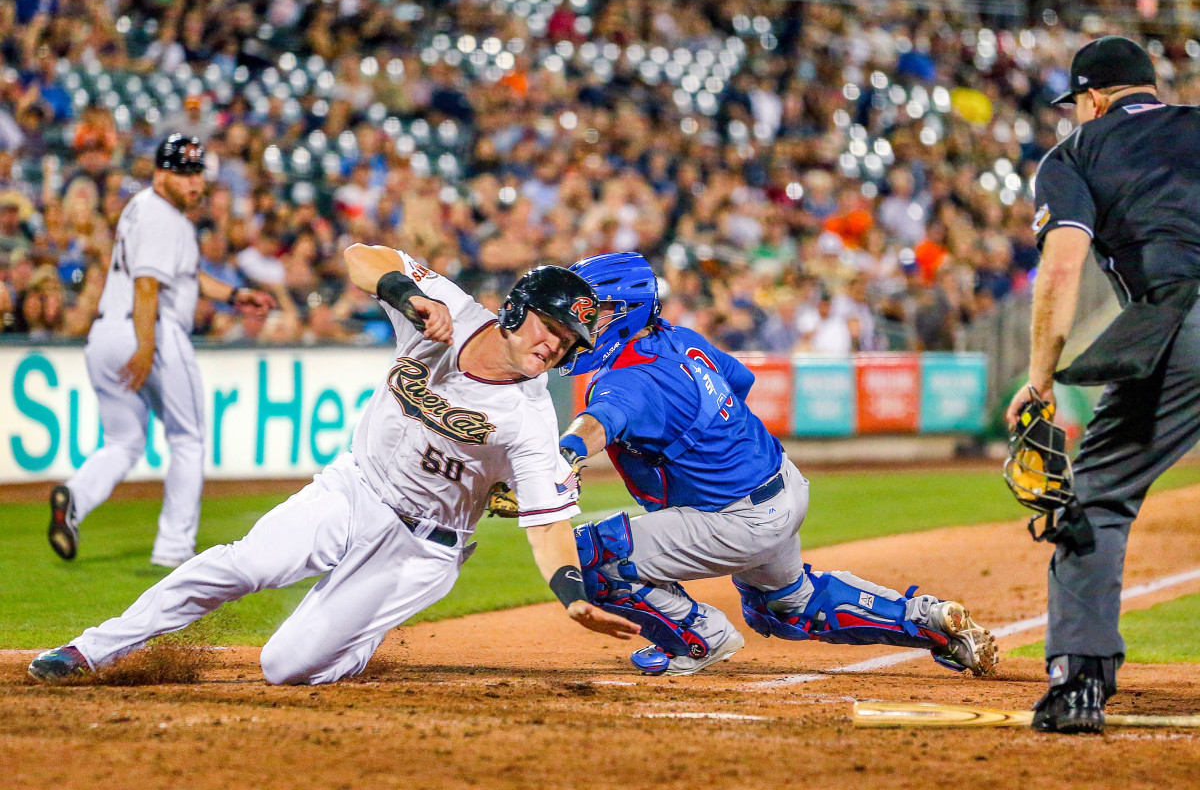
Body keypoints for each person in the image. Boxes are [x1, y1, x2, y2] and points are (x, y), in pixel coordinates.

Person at [29, 248, 639, 685]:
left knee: (282, 666)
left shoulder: (530, 418)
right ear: (516, 310)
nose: (556, 346)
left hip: (423, 549)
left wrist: (571, 596)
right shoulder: (448, 310)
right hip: (353, 487)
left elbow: (545, 525)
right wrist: (407, 295)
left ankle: (355, 637)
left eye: (569, 343)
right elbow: (361, 255)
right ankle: (91, 649)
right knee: (247, 562)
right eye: (553, 328)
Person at [558, 252, 997, 677]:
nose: (580, 324)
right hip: (778, 483)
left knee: (589, 556)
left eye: (594, 311)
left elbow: (597, 423)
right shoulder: (680, 339)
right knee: (790, 606)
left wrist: (564, 458)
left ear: (627, 311)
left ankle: (698, 637)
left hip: (736, 517)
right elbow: (740, 380)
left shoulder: (627, 377)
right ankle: (931, 621)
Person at [1004, 36, 1200, 734]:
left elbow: (1060, 270)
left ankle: (1079, 682)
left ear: (1090, 98)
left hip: (1181, 319)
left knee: (1097, 499)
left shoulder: (1076, 154)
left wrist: (1039, 377)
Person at [46, 134, 274, 567]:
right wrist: (147, 347)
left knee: (124, 441)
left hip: (105, 336)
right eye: (183, 174)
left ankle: (74, 497)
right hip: (150, 330)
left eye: (197, 174)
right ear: (160, 173)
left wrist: (235, 294)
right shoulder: (163, 218)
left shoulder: (145, 210)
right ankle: (173, 549)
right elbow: (147, 285)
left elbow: (188, 276)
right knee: (188, 438)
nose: (193, 184)